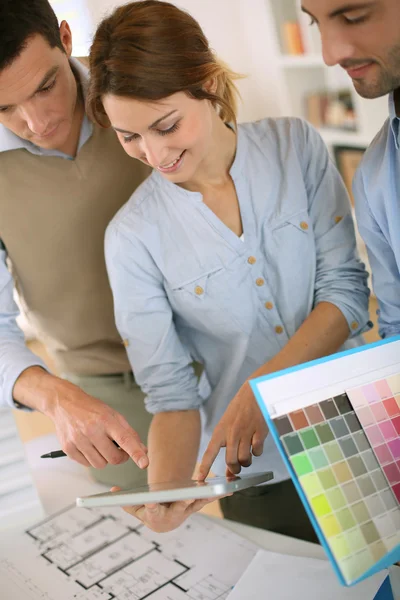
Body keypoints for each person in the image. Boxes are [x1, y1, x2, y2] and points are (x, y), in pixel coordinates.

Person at [87, 0, 370, 538]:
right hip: (254, 472)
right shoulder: (130, 238)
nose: (154, 153)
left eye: (165, 125)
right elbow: (171, 397)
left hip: (362, 424)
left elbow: (346, 293)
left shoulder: (295, 146)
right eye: (130, 137)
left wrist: (259, 390)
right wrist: (167, 494)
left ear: (209, 83)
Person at [0, 0, 152, 487]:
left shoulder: (139, 85)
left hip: (224, 353)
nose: (37, 121)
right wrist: (52, 393)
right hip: (103, 389)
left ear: (66, 39)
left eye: (46, 86)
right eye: (4, 108)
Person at [301, 0, 400, 338]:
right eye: (316, 24)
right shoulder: (375, 175)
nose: (329, 55)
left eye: (353, 16)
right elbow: (396, 326)